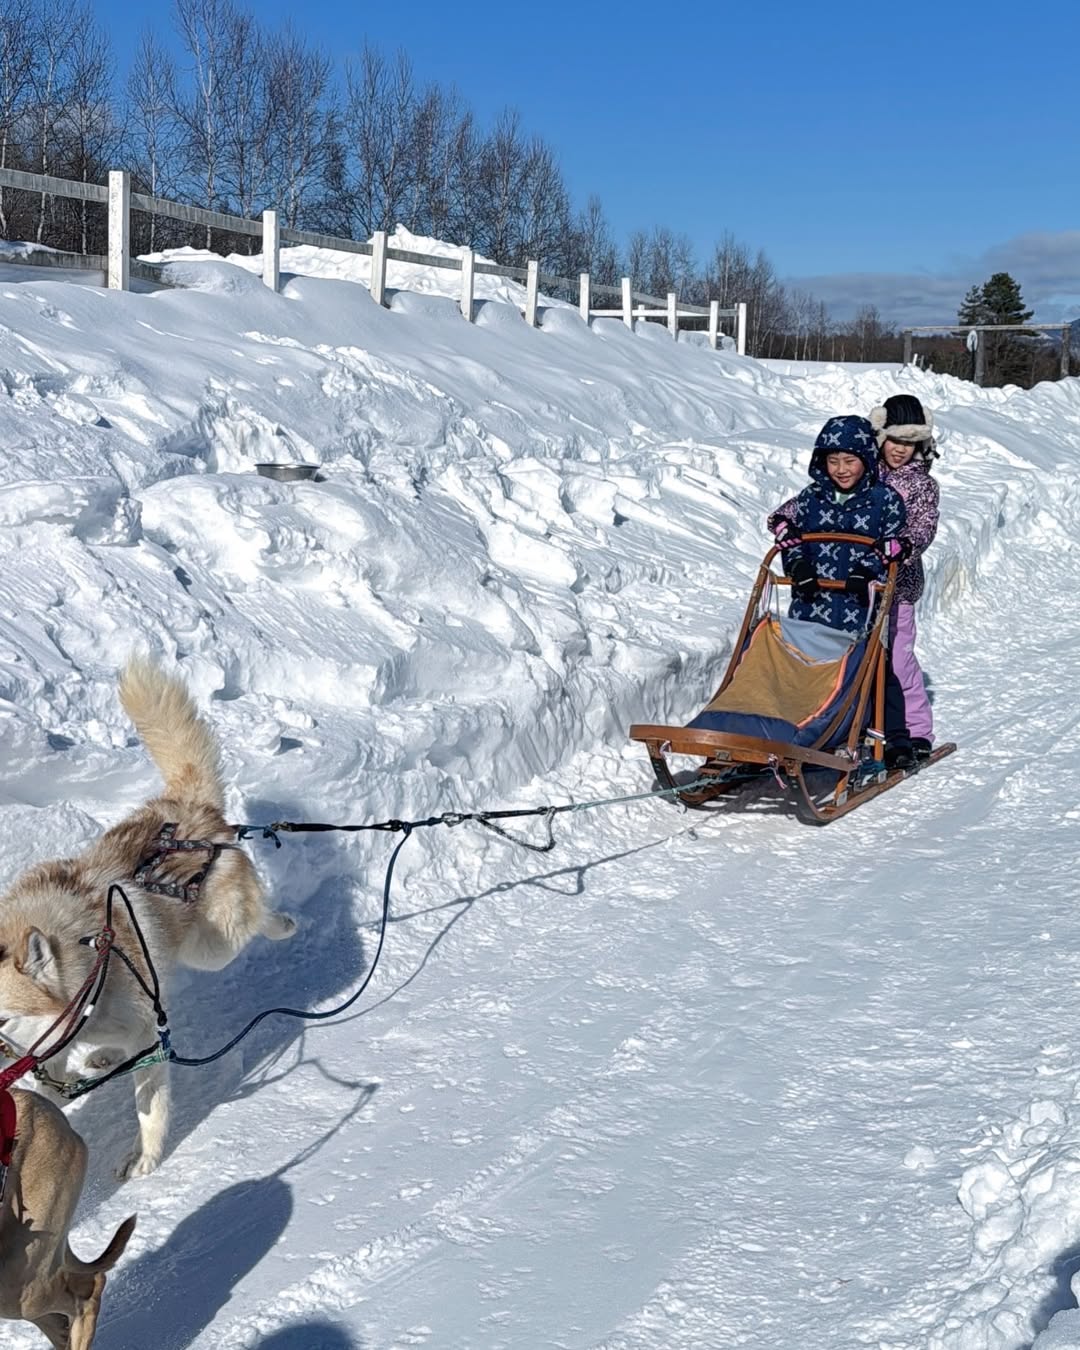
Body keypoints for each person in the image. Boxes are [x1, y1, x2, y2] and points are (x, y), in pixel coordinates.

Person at [767, 414, 907, 637]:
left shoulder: (885, 500)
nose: (841, 469)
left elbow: (897, 542)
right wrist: (797, 565)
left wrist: (868, 569)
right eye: (833, 461)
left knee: (854, 667)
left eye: (850, 461)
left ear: (867, 459)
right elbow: (785, 525)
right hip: (811, 603)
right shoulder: (812, 497)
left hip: (860, 606)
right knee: (806, 663)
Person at [868, 393, 940, 763]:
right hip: (861, 585)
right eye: (896, 440)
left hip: (899, 586)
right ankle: (861, 725)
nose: (901, 450)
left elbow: (925, 526)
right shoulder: (864, 473)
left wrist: (904, 544)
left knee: (897, 659)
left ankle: (914, 729)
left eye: (910, 443)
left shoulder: (922, 485)